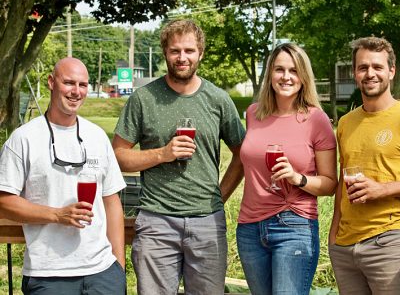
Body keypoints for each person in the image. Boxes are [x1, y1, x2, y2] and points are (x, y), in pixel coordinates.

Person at [112, 19, 245, 295]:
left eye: (189, 50)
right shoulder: (143, 98)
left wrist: (219, 196)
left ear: (200, 54)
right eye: (175, 51)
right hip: (156, 221)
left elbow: (242, 154)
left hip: (207, 221)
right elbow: (118, 157)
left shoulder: (218, 99)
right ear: (165, 53)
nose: (182, 58)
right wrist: (163, 153)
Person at [0, 57, 127, 295]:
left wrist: (118, 267)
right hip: (48, 275)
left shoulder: (97, 136)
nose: (76, 92)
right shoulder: (23, 139)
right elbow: (3, 202)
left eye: (83, 85)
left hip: (102, 273)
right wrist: (57, 215)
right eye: (69, 83)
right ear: (51, 82)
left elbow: (111, 202)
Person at [329, 37, 400, 294]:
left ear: (391, 71)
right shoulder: (346, 123)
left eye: (378, 67)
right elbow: (341, 181)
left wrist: (380, 190)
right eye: (363, 67)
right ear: (355, 73)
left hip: (390, 243)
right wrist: (333, 236)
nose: (370, 73)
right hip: (345, 247)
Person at [236, 43, 338, 295]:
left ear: (303, 77)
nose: (286, 77)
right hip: (249, 227)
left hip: (293, 224)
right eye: (279, 69)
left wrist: (297, 178)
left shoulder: (316, 119)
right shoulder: (253, 114)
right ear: (270, 74)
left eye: (293, 70)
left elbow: (330, 184)